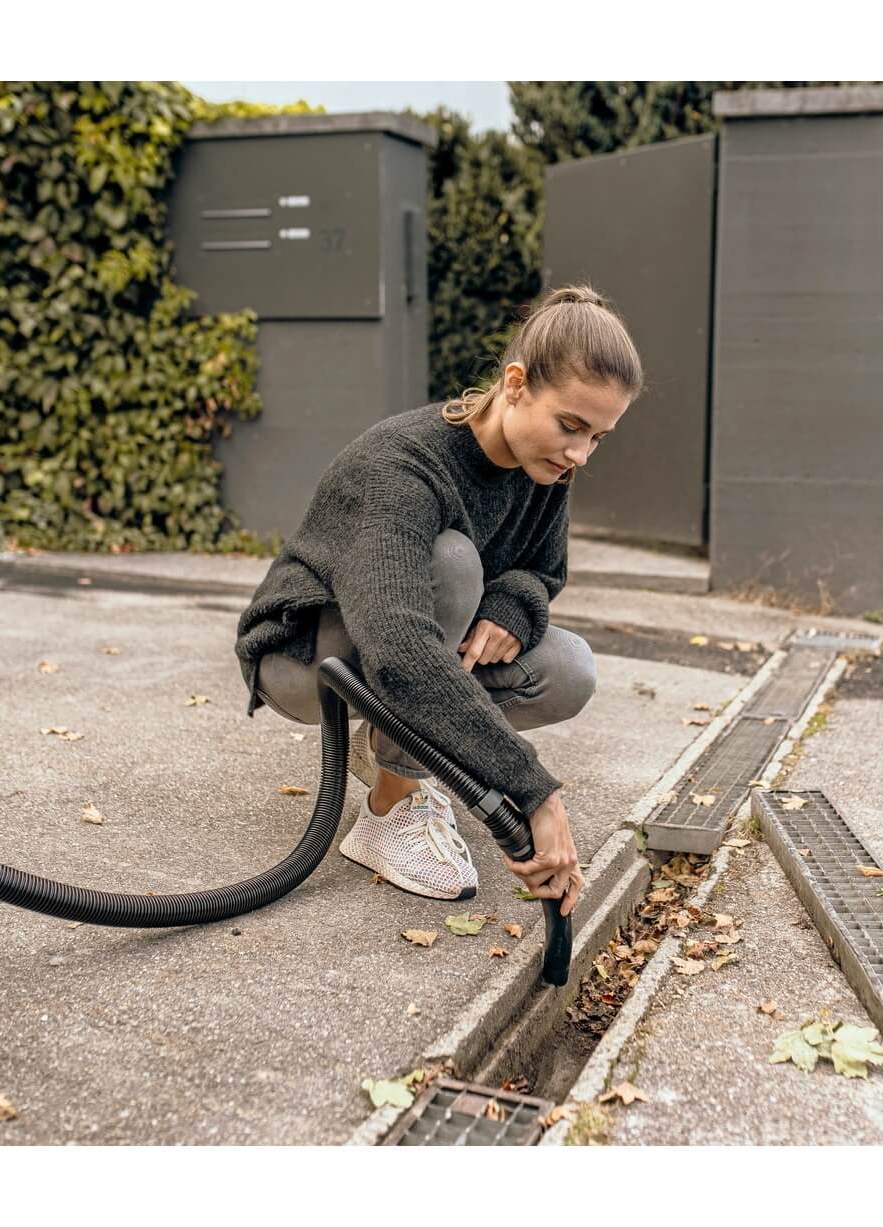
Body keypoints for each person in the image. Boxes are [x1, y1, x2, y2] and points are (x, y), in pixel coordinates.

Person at [234, 285, 642, 920]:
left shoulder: (547, 466)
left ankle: (391, 746)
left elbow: (543, 571)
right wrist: (533, 792)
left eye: (598, 437)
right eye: (570, 426)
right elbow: (397, 649)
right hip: (304, 659)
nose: (579, 454)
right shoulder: (403, 465)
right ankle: (389, 809)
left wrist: (512, 606)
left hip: (395, 652)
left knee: (568, 669)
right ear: (515, 385)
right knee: (451, 563)